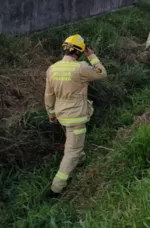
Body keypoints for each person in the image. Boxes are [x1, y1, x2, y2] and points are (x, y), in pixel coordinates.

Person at [44, 34, 107, 197]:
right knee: (72, 151)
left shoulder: (52, 68)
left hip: (61, 115)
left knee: (72, 141)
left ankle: (80, 158)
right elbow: (102, 73)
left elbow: (48, 96)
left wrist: (51, 114)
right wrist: (91, 55)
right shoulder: (81, 67)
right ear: (79, 51)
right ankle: (57, 187)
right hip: (76, 116)